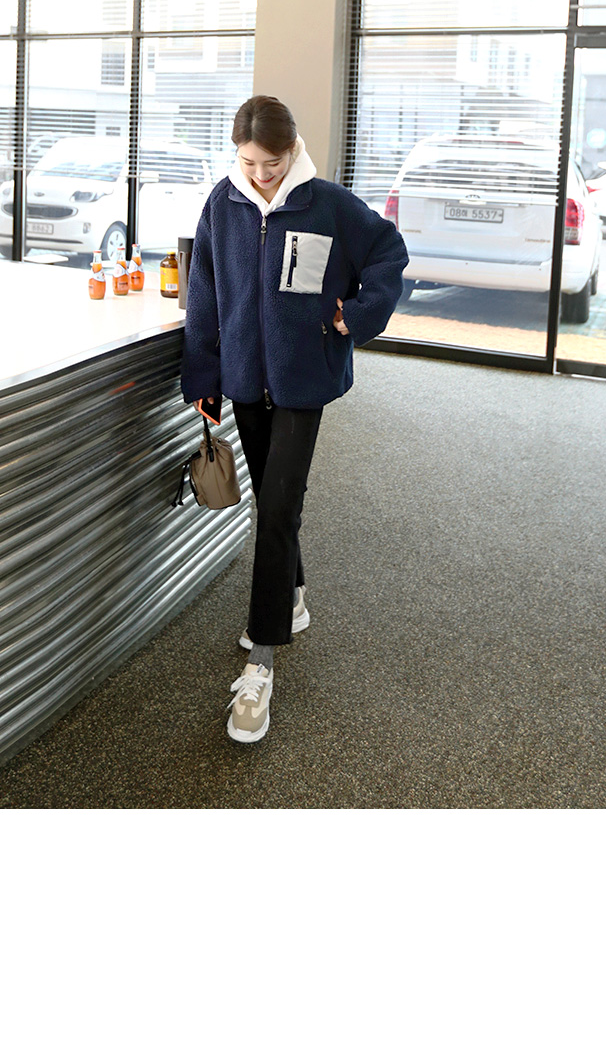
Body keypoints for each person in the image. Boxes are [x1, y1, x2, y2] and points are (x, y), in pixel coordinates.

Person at [181, 95, 409, 743]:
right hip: (244, 380)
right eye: (249, 162)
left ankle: (261, 663)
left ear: (292, 149)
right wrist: (204, 377)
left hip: (303, 380)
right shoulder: (222, 205)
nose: (261, 175)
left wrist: (354, 316)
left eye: (272, 163)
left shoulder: (327, 204)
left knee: (278, 510)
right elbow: (204, 294)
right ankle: (295, 596)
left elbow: (388, 253)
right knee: (273, 503)